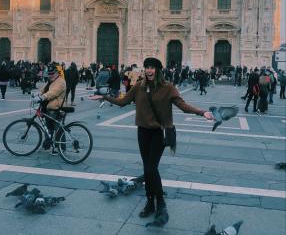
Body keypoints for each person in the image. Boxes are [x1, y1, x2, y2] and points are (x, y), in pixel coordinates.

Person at [89, 57, 214, 226]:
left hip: (158, 133)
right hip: (143, 132)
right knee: (147, 169)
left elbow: (182, 105)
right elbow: (122, 102)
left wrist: (202, 112)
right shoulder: (139, 87)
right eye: (147, 67)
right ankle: (150, 201)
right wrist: (104, 97)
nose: (149, 70)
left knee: (151, 168)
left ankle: (160, 200)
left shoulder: (167, 87)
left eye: (152, 68)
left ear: (158, 70)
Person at [33, 63, 66, 153]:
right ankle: (48, 144)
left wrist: (42, 97)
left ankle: (61, 148)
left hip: (57, 108)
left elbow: (53, 92)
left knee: (58, 129)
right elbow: (44, 90)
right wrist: (37, 94)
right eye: (49, 73)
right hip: (49, 107)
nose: (50, 75)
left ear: (57, 73)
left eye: (52, 73)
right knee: (48, 128)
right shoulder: (51, 81)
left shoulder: (61, 82)